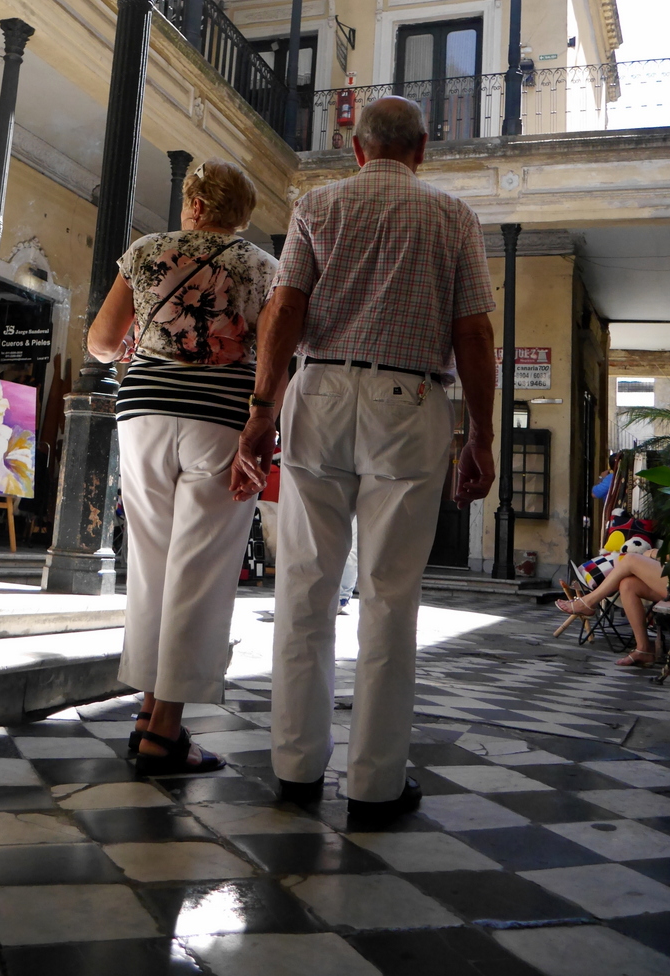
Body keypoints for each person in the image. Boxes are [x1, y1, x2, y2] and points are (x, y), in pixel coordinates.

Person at [232, 96, 498, 824]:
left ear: (357, 148)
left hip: (318, 391)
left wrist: (261, 411)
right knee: (388, 595)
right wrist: (480, 435)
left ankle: (294, 768)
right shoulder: (453, 217)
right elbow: (473, 333)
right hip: (409, 399)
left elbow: (285, 310)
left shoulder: (316, 206)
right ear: (422, 150)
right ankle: (375, 786)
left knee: (305, 586)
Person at [88, 160, 278, 775]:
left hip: (143, 411)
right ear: (241, 213)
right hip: (220, 418)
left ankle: (148, 712)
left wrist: (137, 344)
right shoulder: (263, 267)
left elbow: (100, 342)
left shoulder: (146, 251)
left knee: (151, 563)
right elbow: (274, 355)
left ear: (193, 203)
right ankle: (164, 730)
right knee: (201, 569)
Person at [555, 548, 670, 667]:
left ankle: (588, 602)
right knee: (628, 585)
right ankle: (643, 649)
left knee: (631, 559)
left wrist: (653, 553)